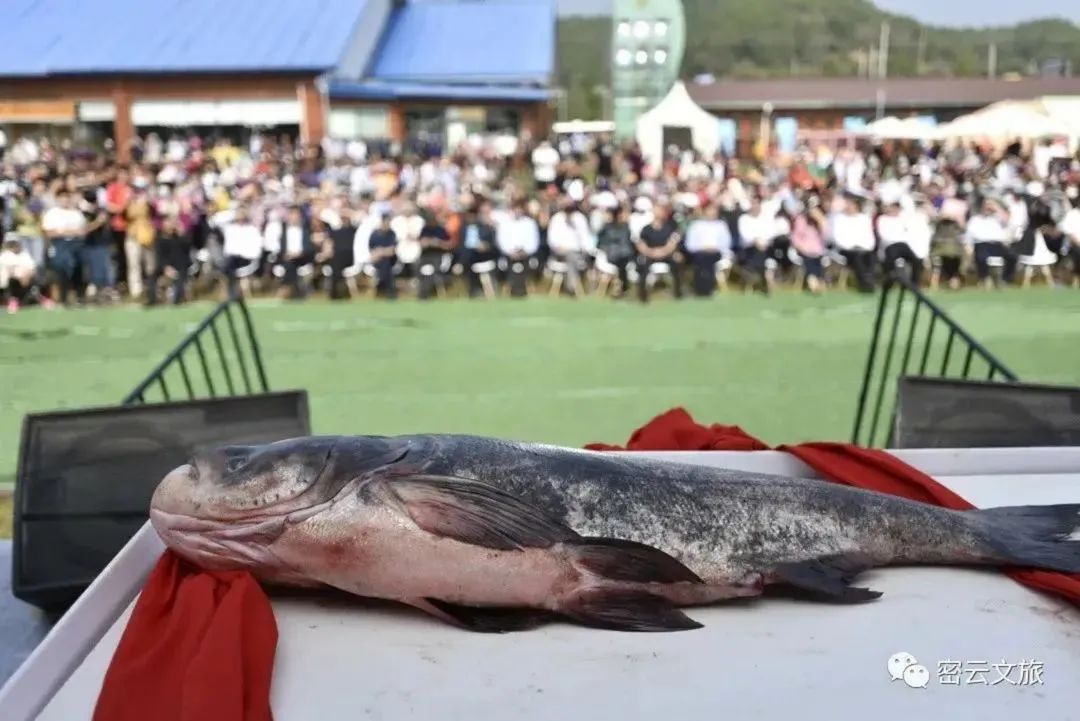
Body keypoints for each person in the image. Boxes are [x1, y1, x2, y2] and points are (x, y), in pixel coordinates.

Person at [41, 189, 87, 305]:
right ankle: (63, 297)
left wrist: (67, 232)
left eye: (66, 197)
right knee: (62, 268)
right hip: (60, 243)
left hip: (76, 243)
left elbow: (82, 231)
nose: (65, 200)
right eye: (62, 197)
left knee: (78, 268)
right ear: (57, 199)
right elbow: (49, 232)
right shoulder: (52, 213)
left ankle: (79, 296)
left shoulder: (76, 213)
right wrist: (68, 232)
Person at [635, 203, 683, 303]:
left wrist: (662, 252)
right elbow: (641, 245)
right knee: (642, 265)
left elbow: (672, 244)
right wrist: (651, 252)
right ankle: (642, 296)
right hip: (650, 255)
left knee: (676, 263)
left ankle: (677, 293)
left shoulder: (670, 228)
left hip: (666, 255)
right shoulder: (646, 229)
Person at [683, 203, 733, 297]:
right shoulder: (696, 225)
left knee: (709, 259)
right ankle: (700, 288)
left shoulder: (721, 225)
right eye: (710, 210)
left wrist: (714, 248)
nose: (712, 213)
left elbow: (726, 243)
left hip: (717, 253)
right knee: (702, 259)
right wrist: (703, 248)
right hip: (699, 253)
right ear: (704, 211)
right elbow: (690, 245)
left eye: (714, 210)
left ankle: (708, 288)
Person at [831, 192, 877, 293]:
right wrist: (852, 247)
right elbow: (837, 238)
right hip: (846, 249)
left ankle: (869, 279)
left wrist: (864, 247)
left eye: (851, 204)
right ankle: (865, 283)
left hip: (863, 248)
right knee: (857, 257)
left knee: (871, 256)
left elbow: (869, 237)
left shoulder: (864, 219)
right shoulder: (839, 219)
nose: (849, 206)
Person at [966, 198, 1016, 287]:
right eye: (986, 205)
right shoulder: (975, 219)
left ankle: (1005, 280)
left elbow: (1008, 220)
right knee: (981, 258)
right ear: (982, 206)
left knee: (1012, 257)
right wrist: (969, 247)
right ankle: (985, 278)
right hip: (981, 243)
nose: (988, 207)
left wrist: (997, 208)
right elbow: (968, 235)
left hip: (997, 244)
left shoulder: (998, 218)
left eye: (990, 205)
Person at [546, 199, 592, 297]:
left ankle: (573, 287)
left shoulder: (580, 219)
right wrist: (559, 247)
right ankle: (572, 287)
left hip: (578, 252)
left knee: (573, 258)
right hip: (560, 252)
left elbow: (586, 238)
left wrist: (585, 250)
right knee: (572, 257)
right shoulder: (557, 219)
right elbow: (551, 240)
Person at [496, 200, 540, 298]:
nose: (517, 211)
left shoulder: (530, 223)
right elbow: (501, 242)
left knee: (528, 266)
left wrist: (524, 251)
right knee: (508, 267)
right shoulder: (504, 223)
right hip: (509, 255)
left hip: (526, 255)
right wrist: (510, 252)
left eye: (519, 208)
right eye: (515, 208)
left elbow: (534, 242)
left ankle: (523, 290)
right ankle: (513, 290)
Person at [147, 215, 191, 306]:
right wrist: (165, 268)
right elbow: (160, 256)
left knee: (180, 278)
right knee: (151, 277)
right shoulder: (160, 239)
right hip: (165, 266)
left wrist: (181, 233)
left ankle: (177, 300)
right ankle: (152, 300)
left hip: (180, 266)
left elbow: (187, 249)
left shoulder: (180, 238)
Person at [876, 201, 923, 285]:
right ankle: (890, 281)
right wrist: (898, 238)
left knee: (916, 261)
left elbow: (909, 233)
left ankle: (914, 283)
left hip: (903, 245)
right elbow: (883, 235)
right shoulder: (882, 219)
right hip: (890, 245)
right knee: (890, 263)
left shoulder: (902, 219)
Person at [80, 191, 114, 302]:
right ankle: (93, 294)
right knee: (92, 271)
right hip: (89, 244)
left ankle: (104, 292)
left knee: (104, 270)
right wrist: (98, 222)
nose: (93, 203)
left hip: (102, 243)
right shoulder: (84, 213)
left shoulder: (100, 211)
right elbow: (85, 229)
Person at [789, 198, 827, 294]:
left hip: (818, 251)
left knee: (818, 262)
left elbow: (827, 234)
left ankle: (818, 280)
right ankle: (812, 281)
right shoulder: (800, 220)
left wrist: (820, 219)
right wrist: (801, 248)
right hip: (803, 250)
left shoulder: (819, 223)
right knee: (809, 261)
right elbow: (795, 237)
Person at [461, 202, 498, 298]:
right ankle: (473, 291)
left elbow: (493, 245)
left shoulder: (485, 228)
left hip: (485, 257)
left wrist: (486, 246)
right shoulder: (463, 229)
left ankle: (488, 292)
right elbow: (461, 246)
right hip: (469, 259)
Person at [596, 205, 635, 298]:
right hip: (610, 255)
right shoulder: (606, 227)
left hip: (624, 255)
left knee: (624, 261)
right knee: (622, 263)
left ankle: (622, 288)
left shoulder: (625, 227)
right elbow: (600, 243)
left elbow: (628, 243)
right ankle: (623, 288)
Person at [416, 210, 453, 300]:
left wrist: (438, 243)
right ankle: (423, 293)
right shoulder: (424, 230)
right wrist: (426, 242)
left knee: (433, 271)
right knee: (418, 269)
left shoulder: (441, 230)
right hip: (426, 255)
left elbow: (449, 245)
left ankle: (427, 293)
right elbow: (420, 242)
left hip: (438, 255)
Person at [1, 234, 41, 313]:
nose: (13, 246)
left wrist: (27, 275)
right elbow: (8, 271)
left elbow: (32, 269)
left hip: (24, 281)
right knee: (11, 279)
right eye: (11, 244)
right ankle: (12, 300)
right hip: (9, 283)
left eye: (14, 243)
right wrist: (19, 276)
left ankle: (35, 297)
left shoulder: (24, 255)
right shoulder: (4, 256)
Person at [368, 213, 398, 300]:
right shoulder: (374, 235)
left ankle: (382, 286)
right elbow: (372, 252)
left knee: (386, 263)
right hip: (378, 261)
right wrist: (383, 252)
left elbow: (392, 251)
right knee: (385, 264)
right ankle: (390, 292)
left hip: (390, 260)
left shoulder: (392, 234)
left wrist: (381, 251)